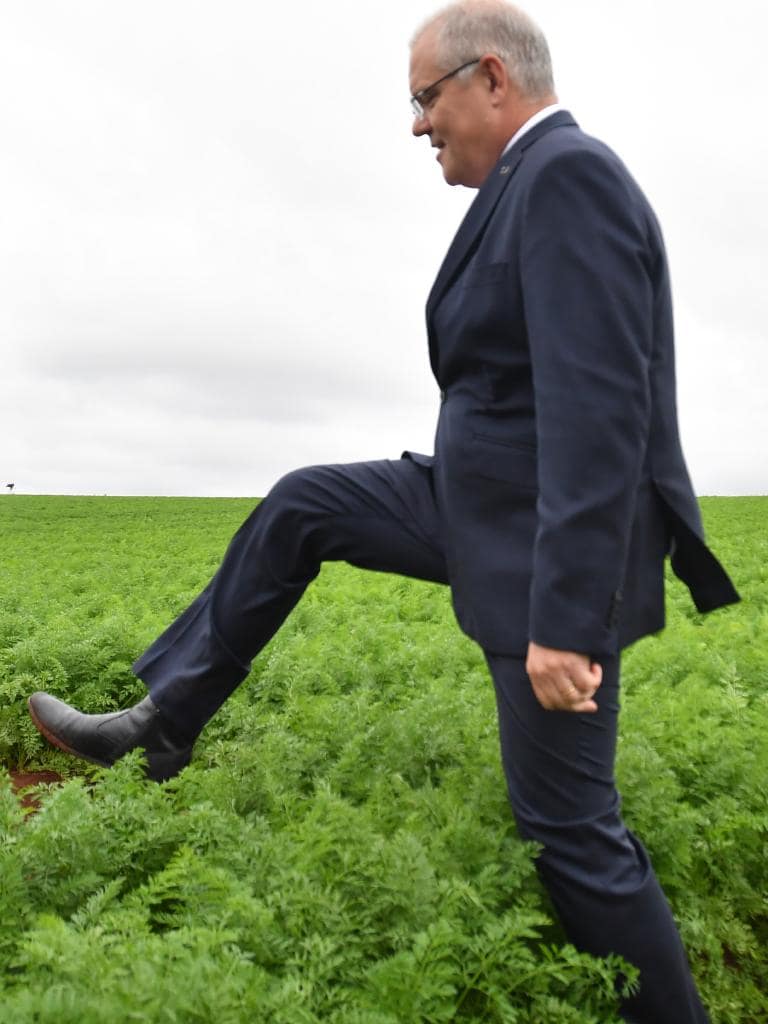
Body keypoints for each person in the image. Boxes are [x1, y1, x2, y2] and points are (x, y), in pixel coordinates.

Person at [28, 2, 739, 1021]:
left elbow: (601, 409)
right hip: (475, 503)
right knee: (304, 505)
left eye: (425, 97)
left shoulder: (568, 178)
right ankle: (157, 725)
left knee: (572, 835)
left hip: (547, 548)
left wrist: (567, 617)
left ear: (491, 77)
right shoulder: (522, 188)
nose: (416, 124)